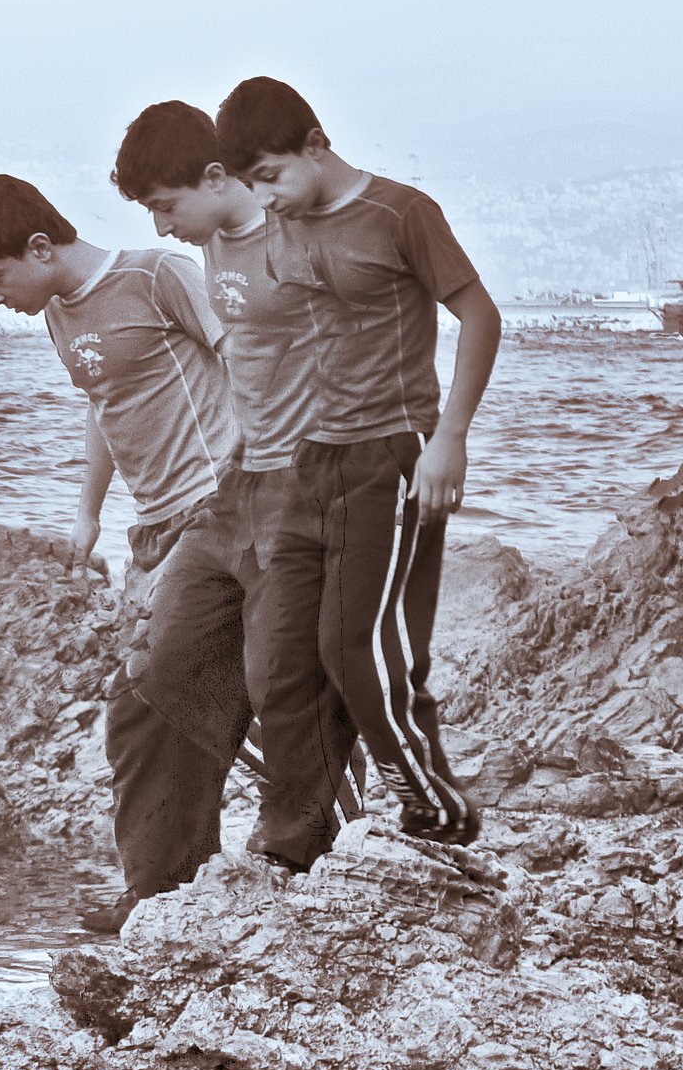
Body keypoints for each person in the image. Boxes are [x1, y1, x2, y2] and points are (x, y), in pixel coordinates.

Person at [0, 169, 336, 935]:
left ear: (39, 247)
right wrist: (87, 514)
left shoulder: (158, 275)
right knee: (161, 699)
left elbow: (249, 353)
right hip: (154, 529)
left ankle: (287, 860)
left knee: (221, 685)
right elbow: (105, 402)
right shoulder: (60, 312)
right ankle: (166, 891)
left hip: (224, 508)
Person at [209, 76, 501, 846]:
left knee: (361, 651)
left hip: (394, 450)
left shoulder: (401, 213)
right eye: (250, 186)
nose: (265, 199)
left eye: (269, 176)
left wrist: (451, 440)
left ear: (314, 143)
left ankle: (437, 810)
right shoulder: (290, 226)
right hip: (311, 457)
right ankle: (304, 831)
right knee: (286, 658)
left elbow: (479, 314)